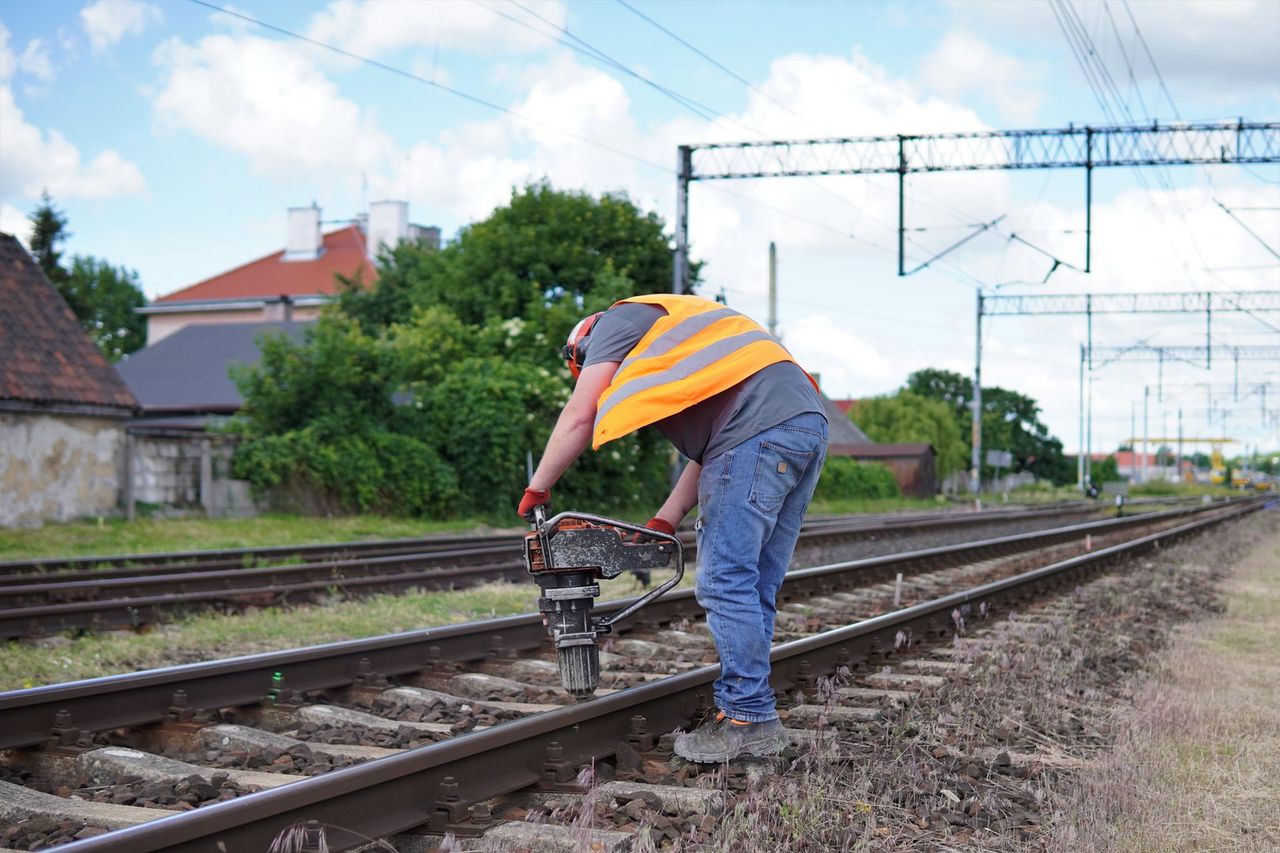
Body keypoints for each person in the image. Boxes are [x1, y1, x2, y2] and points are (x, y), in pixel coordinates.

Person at [517, 293, 829, 763]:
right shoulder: (682, 338)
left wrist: (538, 488)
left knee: (725, 581)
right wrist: (665, 519)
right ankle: (751, 713)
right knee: (754, 584)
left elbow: (581, 415)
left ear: (584, 349)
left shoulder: (613, 325)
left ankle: (748, 719)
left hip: (757, 432)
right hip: (805, 425)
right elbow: (715, 451)